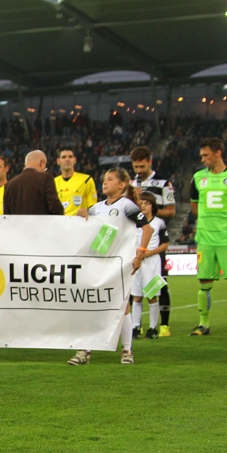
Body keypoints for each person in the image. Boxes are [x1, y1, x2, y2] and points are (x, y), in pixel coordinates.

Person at [69, 168, 148, 366]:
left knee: (122, 307)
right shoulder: (96, 208)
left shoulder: (126, 206)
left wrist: (140, 254)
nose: (105, 183)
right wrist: (83, 215)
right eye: (104, 180)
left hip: (119, 263)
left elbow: (147, 228)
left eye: (110, 179)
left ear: (122, 185)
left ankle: (127, 351)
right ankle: (84, 350)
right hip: (99, 262)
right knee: (91, 304)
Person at [188, 137, 227, 337]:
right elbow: (194, 205)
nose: (203, 159)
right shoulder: (198, 177)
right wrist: (208, 223)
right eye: (202, 156)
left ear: (218, 153)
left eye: (206, 155)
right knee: (204, 281)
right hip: (206, 238)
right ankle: (203, 324)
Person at [131, 145, 176, 336]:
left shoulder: (164, 184)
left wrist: (150, 210)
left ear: (150, 162)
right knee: (136, 290)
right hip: (137, 238)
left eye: (142, 166)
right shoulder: (132, 185)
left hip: (156, 239)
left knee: (160, 285)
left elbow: (171, 211)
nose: (139, 171)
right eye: (136, 167)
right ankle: (136, 325)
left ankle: (163, 325)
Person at [130, 192, 169, 339]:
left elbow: (165, 244)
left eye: (146, 203)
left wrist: (150, 252)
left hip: (152, 262)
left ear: (152, 206)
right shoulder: (134, 222)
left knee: (152, 296)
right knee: (137, 297)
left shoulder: (159, 223)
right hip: (136, 261)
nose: (143, 205)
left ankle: (152, 328)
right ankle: (135, 327)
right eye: (141, 203)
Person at [2, 150, 64, 216]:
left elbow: (7, 215)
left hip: (18, 226)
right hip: (42, 225)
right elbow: (55, 207)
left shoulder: (9, 185)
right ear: (42, 163)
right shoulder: (46, 178)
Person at [54, 146, 96, 216]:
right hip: (60, 224)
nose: (67, 159)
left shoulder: (86, 180)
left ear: (75, 160)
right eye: (64, 157)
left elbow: (93, 207)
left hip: (79, 224)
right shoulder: (53, 182)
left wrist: (87, 213)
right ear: (58, 161)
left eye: (70, 157)